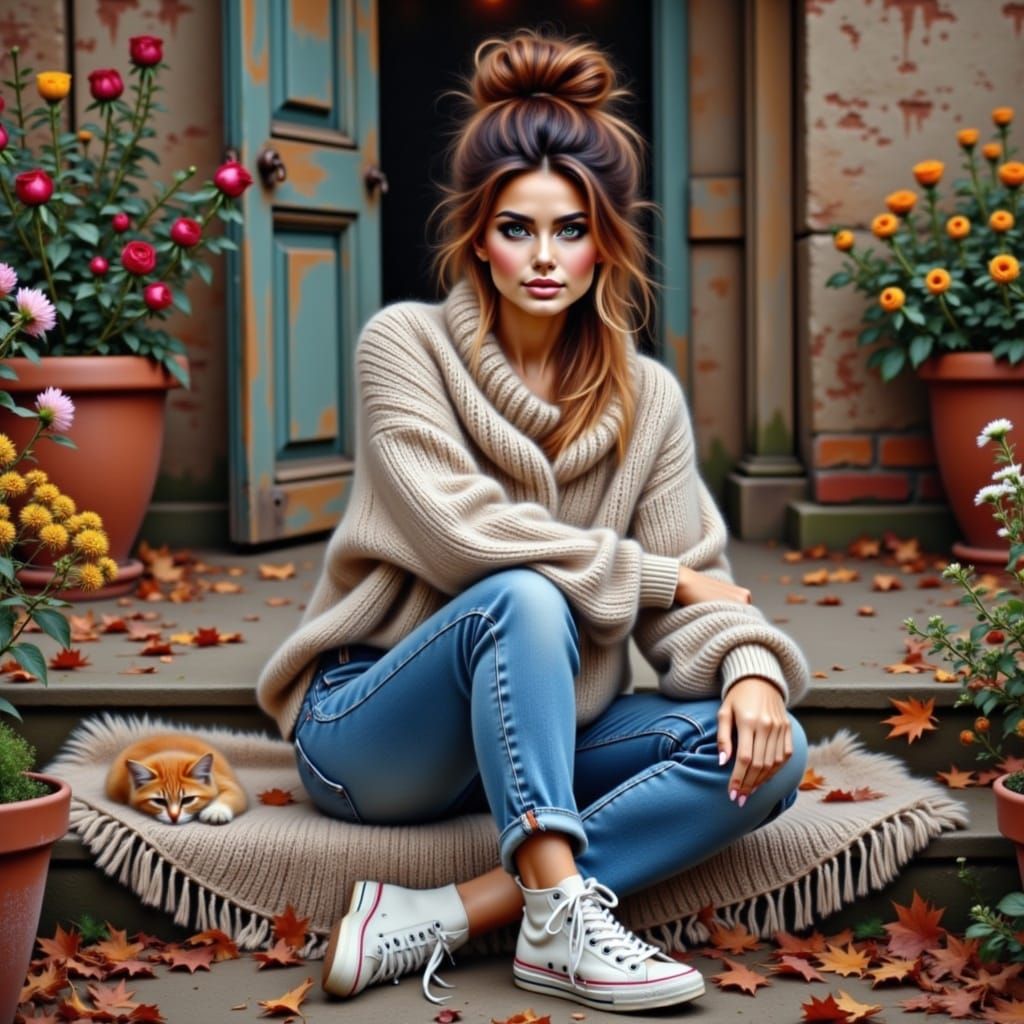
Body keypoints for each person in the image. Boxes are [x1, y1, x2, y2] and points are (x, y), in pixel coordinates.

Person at [256, 25, 811, 1016]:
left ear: (606, 239)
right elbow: (465, 537)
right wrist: (653, 578)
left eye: (570, 229)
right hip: (369, 733)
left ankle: (457, 909)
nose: (544, 257)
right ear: (478, 235)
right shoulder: (405, 345)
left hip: (529, 737)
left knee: (770, 757)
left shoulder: (649, 399)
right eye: (517, 228)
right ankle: (556, 919)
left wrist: (752, 668)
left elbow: (699, 578)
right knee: (522, 594)